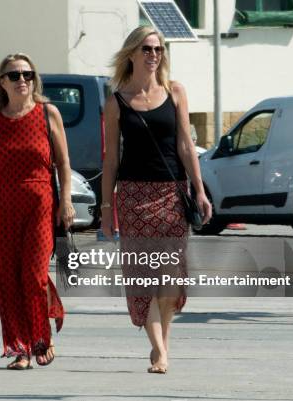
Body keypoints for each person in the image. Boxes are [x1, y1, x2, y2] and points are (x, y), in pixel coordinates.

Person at [100, 27, 212, 374]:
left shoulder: (176, 91)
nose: (153, 55)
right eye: (147, 49)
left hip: (171, 195)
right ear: (132, 53)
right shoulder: (117, 101)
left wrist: (199, 189)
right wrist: (106, 208)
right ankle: (160, 351)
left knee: (168, 276)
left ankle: (162, 342)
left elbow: (185, 146)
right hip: (133, 196)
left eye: (158, 49)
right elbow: (111, 161)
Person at [0, 53, 74, 370]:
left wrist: (66, 201)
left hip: (39, 204)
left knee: (34, 276)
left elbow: (64, 164)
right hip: (0, 208)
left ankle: (41, 337)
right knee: (7, 279)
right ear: (2, 82)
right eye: (14, 75)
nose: (22, 80)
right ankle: (20, 348)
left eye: (28, 74)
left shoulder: (47, 114)